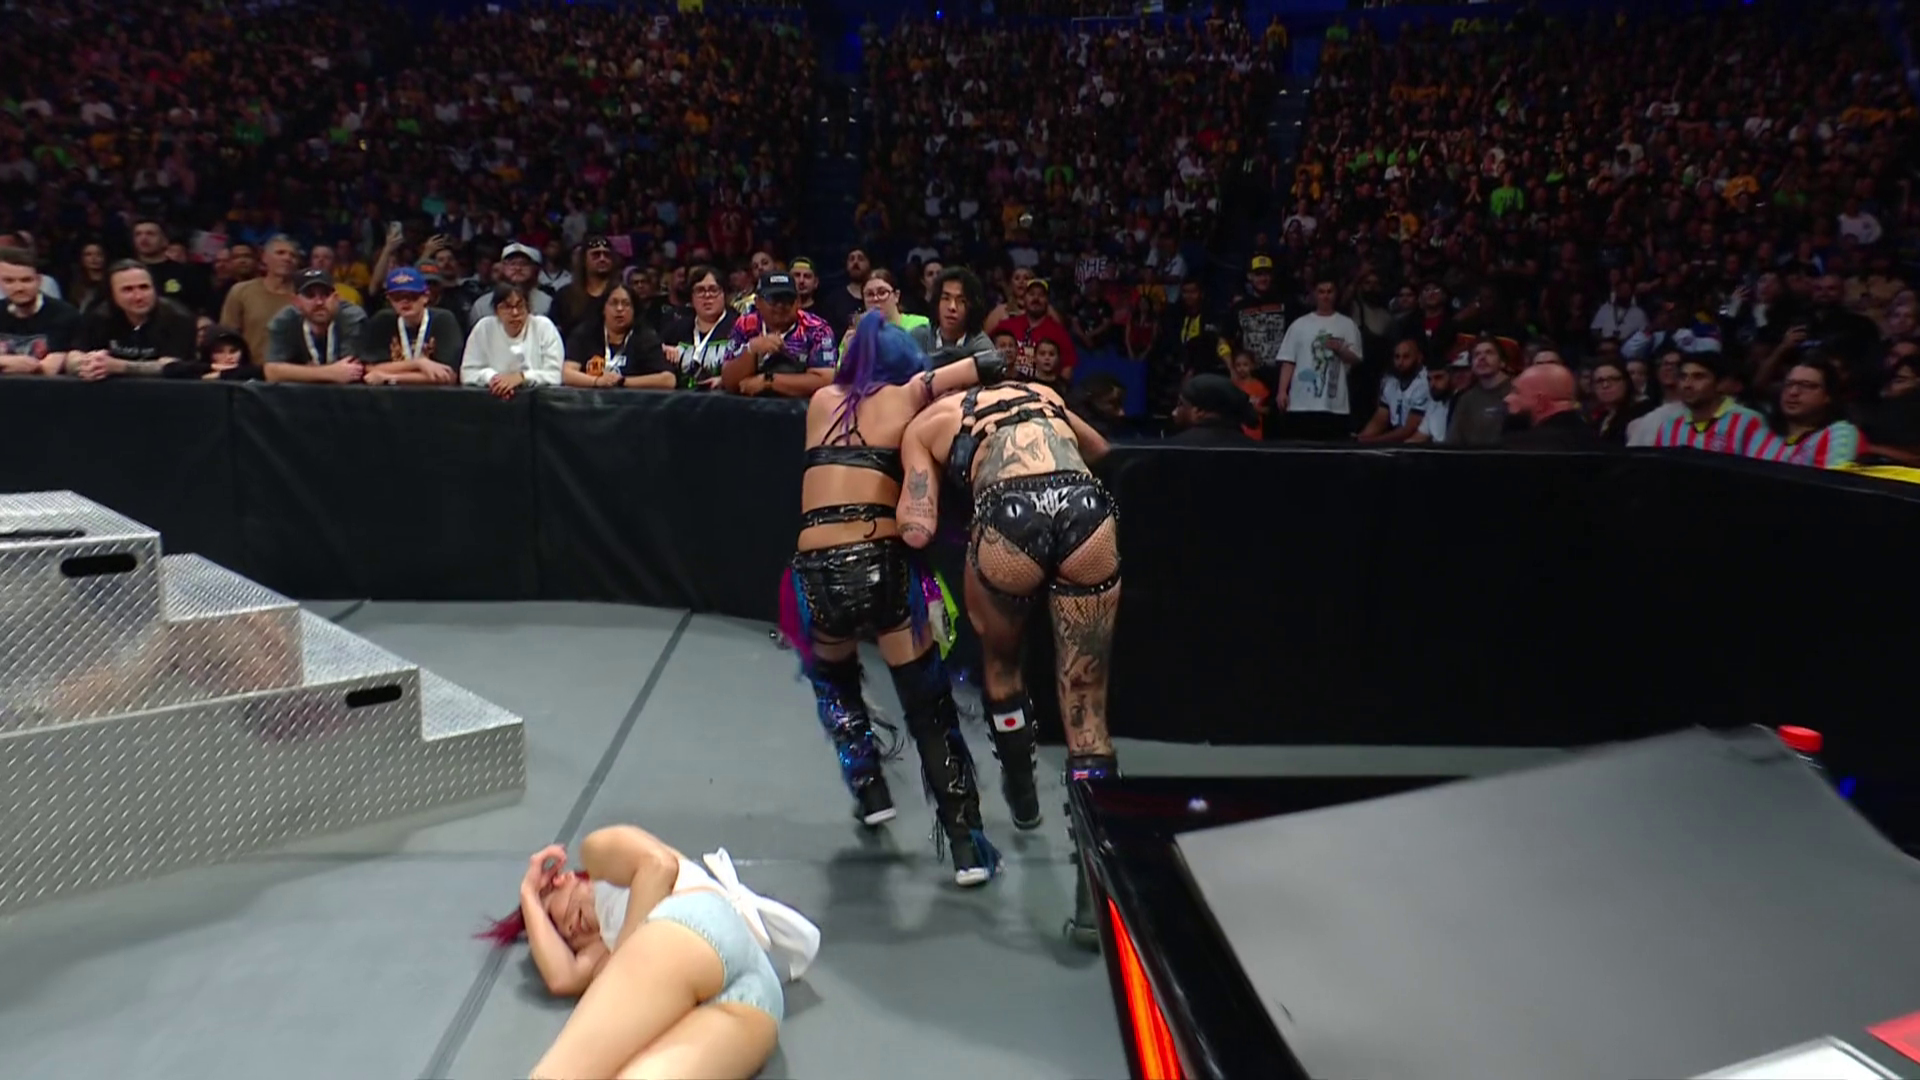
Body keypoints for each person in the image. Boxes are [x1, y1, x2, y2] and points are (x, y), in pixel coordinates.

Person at [778, 311, 1008, 885]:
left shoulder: (819, 402)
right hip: (879, 560)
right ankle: (967, 847)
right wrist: (937, 375)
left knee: (833, 680)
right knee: (928, 706)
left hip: (814, 570)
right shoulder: (908, 393)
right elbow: (989, 362)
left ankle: (869, 786)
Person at [897, 353, 1117, 947]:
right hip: (1083, 507)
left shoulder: (930, 420)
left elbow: (917, 525)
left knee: (999, 666)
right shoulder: (1043, 395)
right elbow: (1101, 449)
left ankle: (1022, 793)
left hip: (1007, 513)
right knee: (1087, 709)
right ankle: (1093, 897)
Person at [483, 826, 818, 1080]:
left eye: (555, 916)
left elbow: (658, 865)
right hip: (758, 998)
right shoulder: (607, 948)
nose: (568, 931)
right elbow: (563, 977)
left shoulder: (597, 854)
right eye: (563, 938)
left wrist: (625, 959)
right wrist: (529, 896)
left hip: (695, 921)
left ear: (562, 879)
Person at [1502, 364, 1602, 450]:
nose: (1507, 398)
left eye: (1517, 392)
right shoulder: (1593, 436)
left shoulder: (1519, 446)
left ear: (1540, 402)